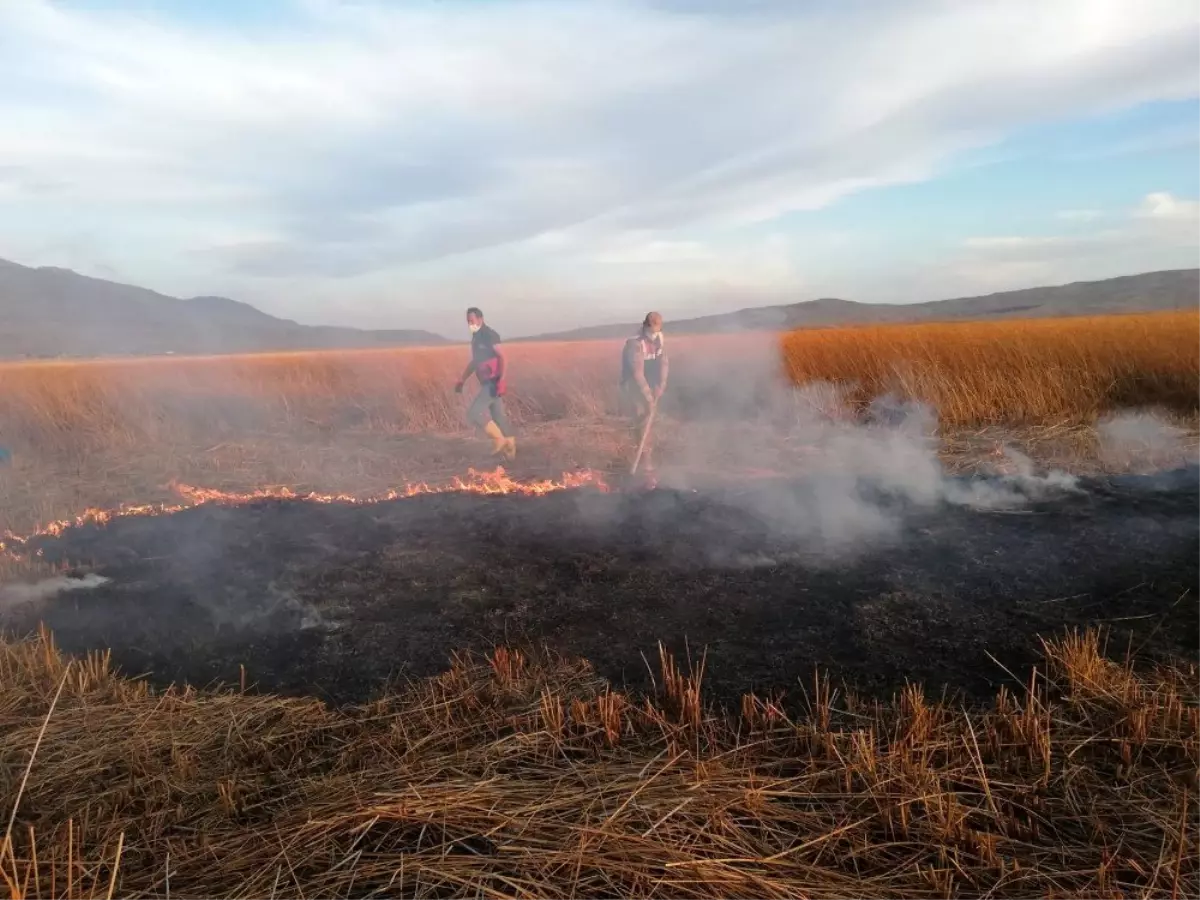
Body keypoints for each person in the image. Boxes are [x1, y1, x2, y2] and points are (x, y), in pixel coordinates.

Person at [455, 307, 516, 460]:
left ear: (480, 319)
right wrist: (462, 379)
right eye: (468, 321)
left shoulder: (489, 335)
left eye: (472, 320)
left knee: (473, 413)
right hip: (486, 382)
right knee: (498, 417)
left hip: (493, 382)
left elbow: (503, 357)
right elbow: (475, 362)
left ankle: (499, 440)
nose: (470, 324)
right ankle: (511, 454)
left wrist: (501, 381)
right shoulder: (476, 338)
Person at [620, 311, 668, 474]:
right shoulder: (635, 343)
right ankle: (644, 462)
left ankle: (647, 458)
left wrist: (661, 384)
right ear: (644, 326)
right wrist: (648, 397)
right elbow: (637, 374)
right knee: (641, 420)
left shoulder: (659, 338)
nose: (653, 333)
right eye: (650, 329)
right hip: (633, 385)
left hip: (650, 381)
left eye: (656, 329)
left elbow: (663, 362)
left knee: (649, 418)